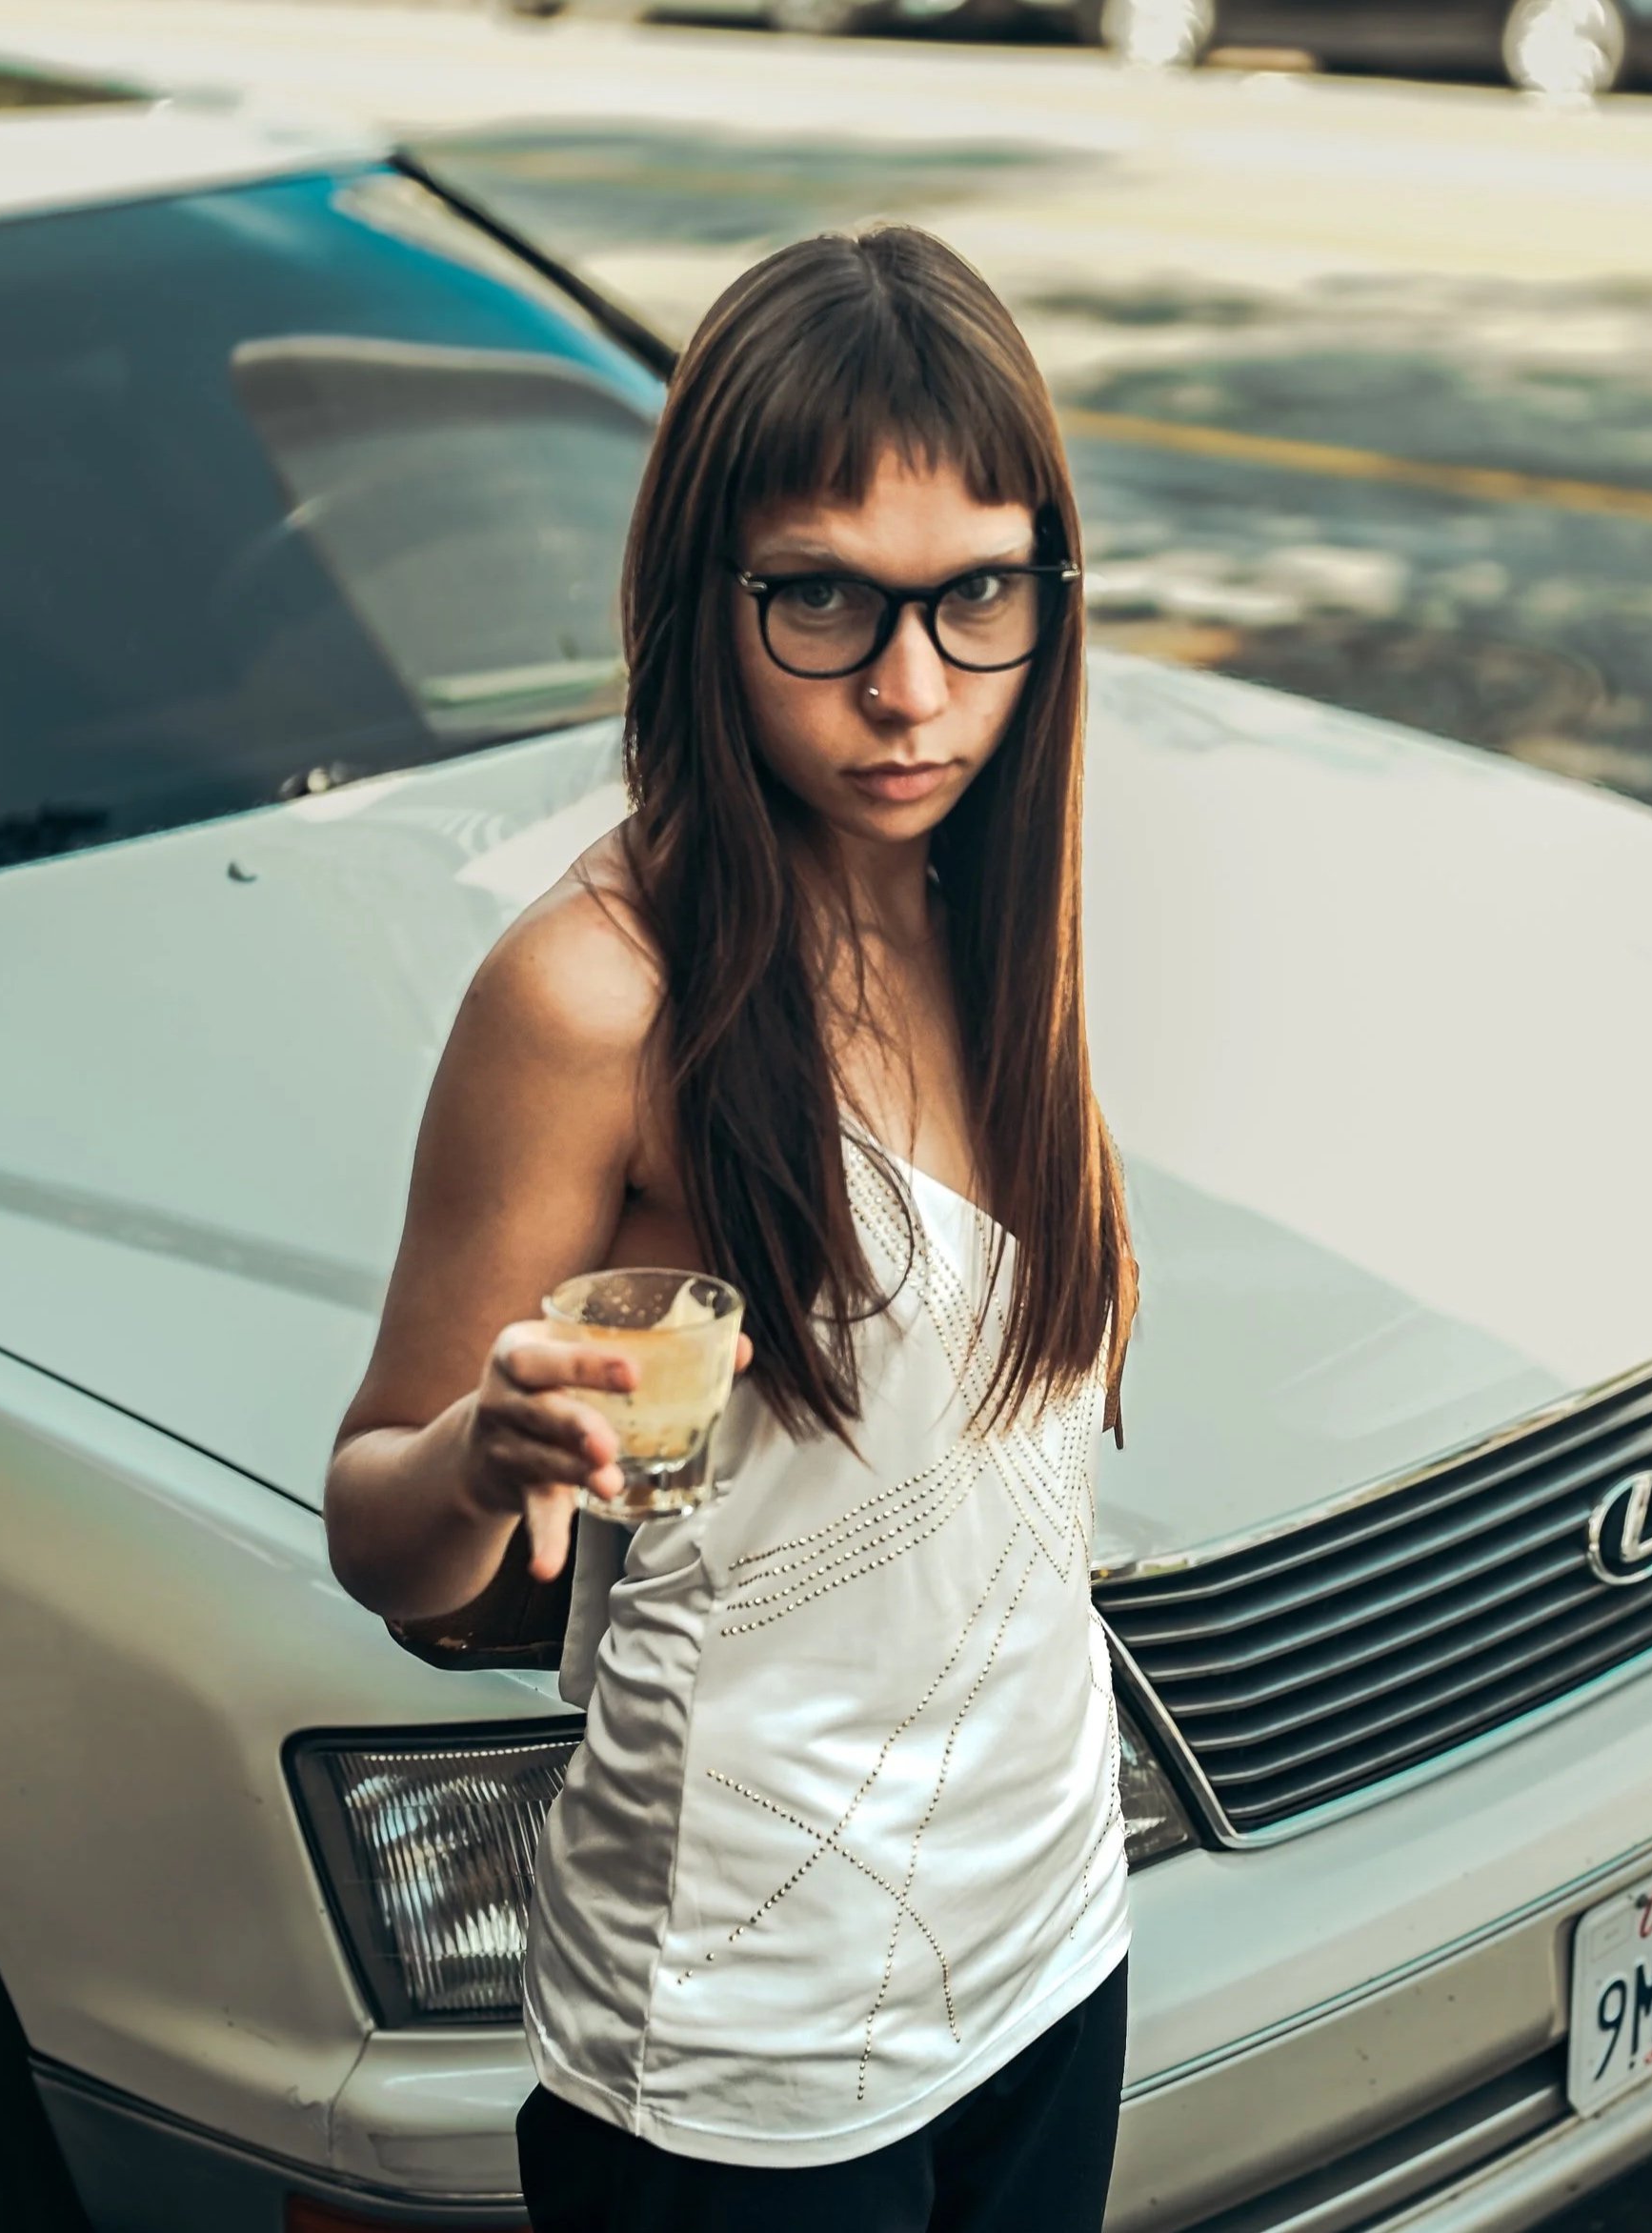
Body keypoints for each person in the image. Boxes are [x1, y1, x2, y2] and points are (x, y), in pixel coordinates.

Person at [323, 222, 1138, 2233]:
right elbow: (379, 1529)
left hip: (1046, 1940)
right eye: (822, 605)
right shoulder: (598, 995)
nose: (907, 688)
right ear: (709, 596)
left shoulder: (985, 894)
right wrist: (488, 1450)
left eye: (975, 600)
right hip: (742, 2053)